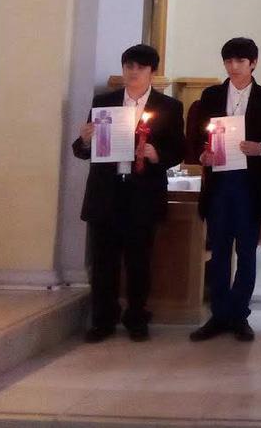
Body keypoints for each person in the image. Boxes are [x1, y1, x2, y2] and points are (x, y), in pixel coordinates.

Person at [72, 44, 184, 343]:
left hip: (142, 194)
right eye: (128, 66)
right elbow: (82, 151)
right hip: (106, 192)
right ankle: (103, 320)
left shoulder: (169, 107)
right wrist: (85, 140)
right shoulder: (104, 102)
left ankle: (136, 317)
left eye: (140, 67)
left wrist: (156, 154)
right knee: (103, 261)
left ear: (152, 72)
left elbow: (178, 150)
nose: (133, 72)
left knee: (138, 261)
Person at [188, 38, 261, 342]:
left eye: (240, 61)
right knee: (218, 250)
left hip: (250, 185)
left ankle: (240, 313)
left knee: (246, 251)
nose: (234, 67)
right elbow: (197, 137)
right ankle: (219, 314)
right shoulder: (211, 95)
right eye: (228, 61)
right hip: (220, 183)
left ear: (253, 63)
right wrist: (202, 155)